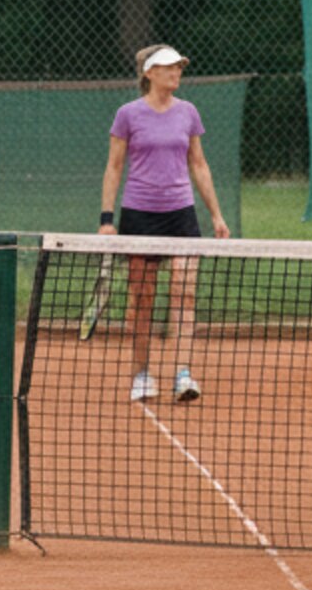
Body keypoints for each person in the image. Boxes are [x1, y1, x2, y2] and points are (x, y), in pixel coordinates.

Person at [97, 44, 231, 405]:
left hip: (181, 215)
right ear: (150, 73)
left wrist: (216, 215)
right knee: (142, 300)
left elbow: (199, 164)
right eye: (169, 67)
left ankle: (183, 373)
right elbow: (114, 166)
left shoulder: (188, 113)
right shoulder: (128, 115)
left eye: (179, 67)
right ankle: (142, 374)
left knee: (184, 295)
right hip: (139, 215)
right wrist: (107, 220)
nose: (177, 73)